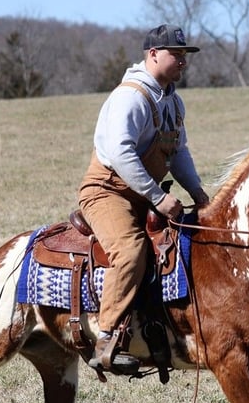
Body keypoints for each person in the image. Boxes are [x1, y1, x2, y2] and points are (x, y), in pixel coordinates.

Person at [78, 23, 210, 374]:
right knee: (131, 250)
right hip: (107, 191)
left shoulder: (173, 102)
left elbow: (178, 152)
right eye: (176, 54)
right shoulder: (131, 96)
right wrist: (157, 197)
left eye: (185, 56)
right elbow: (120, 154)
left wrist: (199, 194)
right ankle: (105, 339)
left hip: (141, 195)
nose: (183, 61)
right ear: (153, 55)